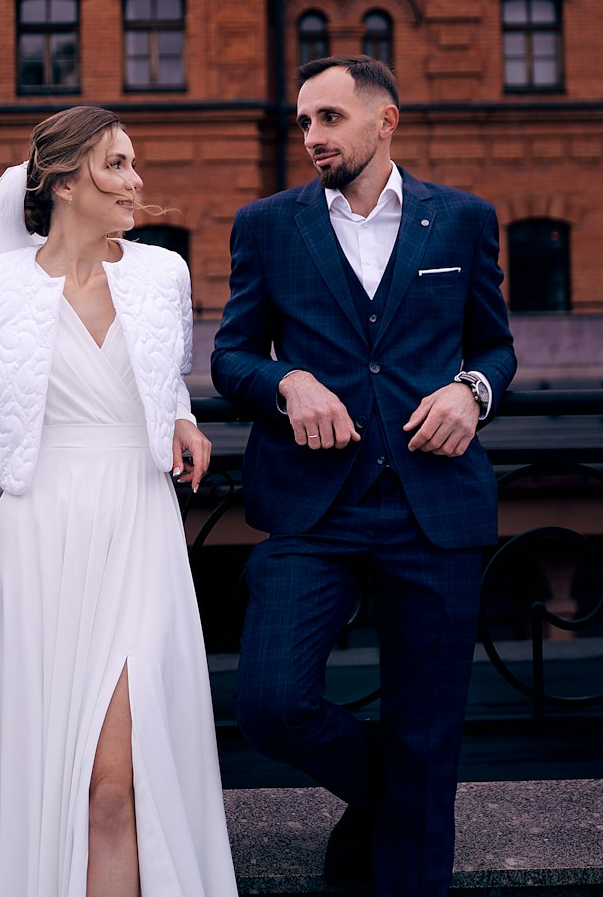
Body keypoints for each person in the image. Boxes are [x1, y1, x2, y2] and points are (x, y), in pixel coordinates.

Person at [0, 106, 238, 897]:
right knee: (59, 779)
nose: (135, 182)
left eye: (133, 163)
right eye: (116, 165)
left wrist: (183, 416)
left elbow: (166, 372)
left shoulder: (162, 272)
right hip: (38, 535)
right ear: (65, 180)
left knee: (116, 785)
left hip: (137, 523)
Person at [211, 57, 516, 897]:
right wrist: (286, 381)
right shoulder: (269, 225)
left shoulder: (460, 220)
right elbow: (231, 355)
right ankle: (403, 793)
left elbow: (495, 345)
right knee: (271, 702)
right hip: (315, 510)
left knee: (429, 730)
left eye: (331, 119)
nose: (312, 137)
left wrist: (472, 390)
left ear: (385, 122)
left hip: (436, 507)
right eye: (305, 121)